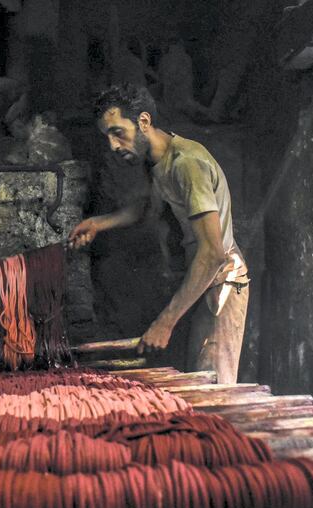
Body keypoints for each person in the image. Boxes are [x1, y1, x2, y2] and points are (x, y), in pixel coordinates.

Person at [68, 84, 249, 383]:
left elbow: (213, 252)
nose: (113, 145)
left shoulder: (187, 164)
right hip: (198, 280)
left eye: (118, 132)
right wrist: (99, 223)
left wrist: (165, 322)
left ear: (143, 121)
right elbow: (146, 208)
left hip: (220, 281)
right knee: (196, 379)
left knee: (214, 385)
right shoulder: (158, 162)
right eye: (107, 137)